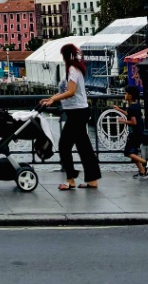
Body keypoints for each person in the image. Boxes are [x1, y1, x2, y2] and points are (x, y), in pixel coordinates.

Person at [40, 43, 100, 190]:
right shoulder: (72, 69)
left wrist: (54, 99)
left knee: (64, 146)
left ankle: (70, 179)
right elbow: (64, 90)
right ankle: (92, 179)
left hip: (77, 113)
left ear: (65, 55)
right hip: (78, 112)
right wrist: (51, 98)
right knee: (83, 146)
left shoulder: (72, 70)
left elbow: (71, 91)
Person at [117, 84, 148, 179]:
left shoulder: (131, 108)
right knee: (133, 153)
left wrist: (123, 121)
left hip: (135, 133)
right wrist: (120, 110)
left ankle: (145, 162)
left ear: (130, 96)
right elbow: (130, 115)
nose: (124, 95)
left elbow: (133, 122)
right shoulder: (136, 106)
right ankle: (142, 172)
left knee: (128, 153)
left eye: (126, 93)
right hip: (138, 132)